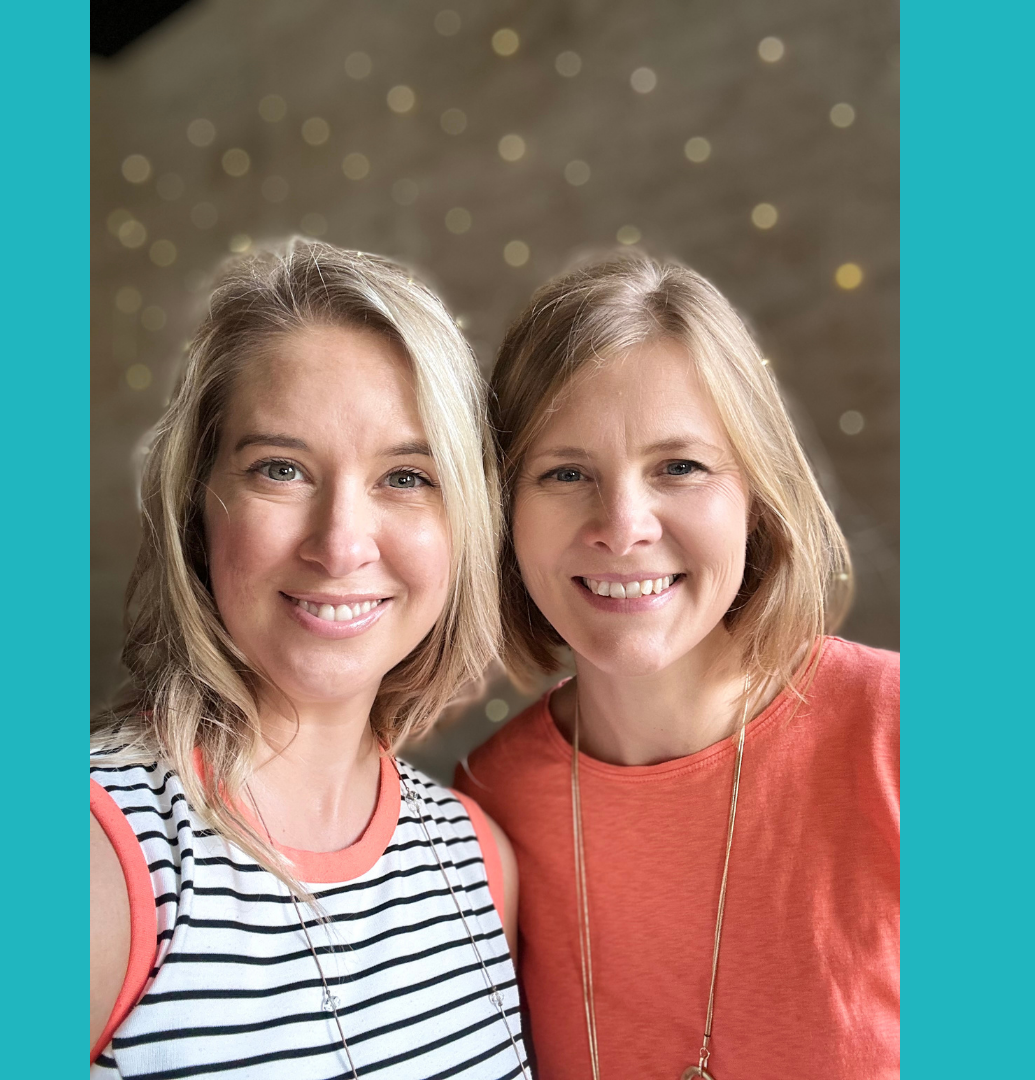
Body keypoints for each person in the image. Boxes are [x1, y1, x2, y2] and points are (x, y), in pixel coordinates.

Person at [90, 240, 531, 1079]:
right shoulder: (93, 856)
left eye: (406, 477)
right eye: (281, 469)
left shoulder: (481, 865)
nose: (340, 544)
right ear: (198, 507)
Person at [456, 253, 899, 1079]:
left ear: (756, 496)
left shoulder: (904, 733)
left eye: (679, 467)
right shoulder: (485, 812)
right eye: (565, 473)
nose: (622, 527)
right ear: (503, 514)